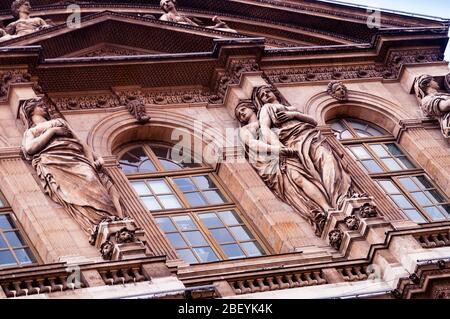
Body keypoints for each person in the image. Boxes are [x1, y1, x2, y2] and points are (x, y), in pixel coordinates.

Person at [236, 86, 352, 235]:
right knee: (299, 179)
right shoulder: (256, 119)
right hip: (282, 153)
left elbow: (313, 122)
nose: (241, 113)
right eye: (239, 114)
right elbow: (258, 138)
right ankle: (327, 208)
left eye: (243, 109)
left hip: (303, 138)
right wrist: (278, 148)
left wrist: (294, 114)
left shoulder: (286, 109)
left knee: (327, 161)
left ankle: (340, 199)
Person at [21, 98, 124, 239]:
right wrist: (52, 132)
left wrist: (92, 160)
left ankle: (113, 220)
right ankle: (100, 224)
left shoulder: (60, 121)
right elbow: (30, 148)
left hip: (76, 158)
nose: (45, 107)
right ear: (31, 109)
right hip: (54, 162)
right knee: (74, 193)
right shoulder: (31, 132)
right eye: (40, 105)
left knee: (92, 181)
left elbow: (81, 142)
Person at [159, 0, 237, 32]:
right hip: (183, 35)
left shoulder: (184, 17)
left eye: (167, 1)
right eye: (163, 4)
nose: (166, 4)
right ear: (164, 9)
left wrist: (216, 26)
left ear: (173, 2)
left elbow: (199, 29)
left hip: (193, 32)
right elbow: (167, 29)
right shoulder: (164, 17)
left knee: (232, 31)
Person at [415, 74, 450, 139]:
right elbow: (444, 106)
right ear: (428, 84)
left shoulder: (443, 95)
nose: (436, 82)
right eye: (433, 80)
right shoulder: (426, 100)